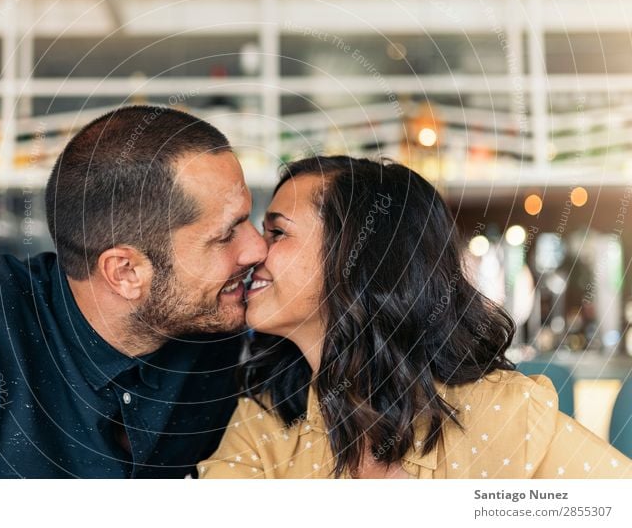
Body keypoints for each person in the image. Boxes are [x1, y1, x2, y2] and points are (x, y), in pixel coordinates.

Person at [0, 105, 267, 478]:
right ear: (125, 271)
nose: (257, 247)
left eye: (250, 220)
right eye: (227, 234)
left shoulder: (221, 322)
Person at [200, 155, 632, 479]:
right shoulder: (266, 423)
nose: (255, 250)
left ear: (359, 257)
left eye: (277, 231)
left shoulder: (502, 412)